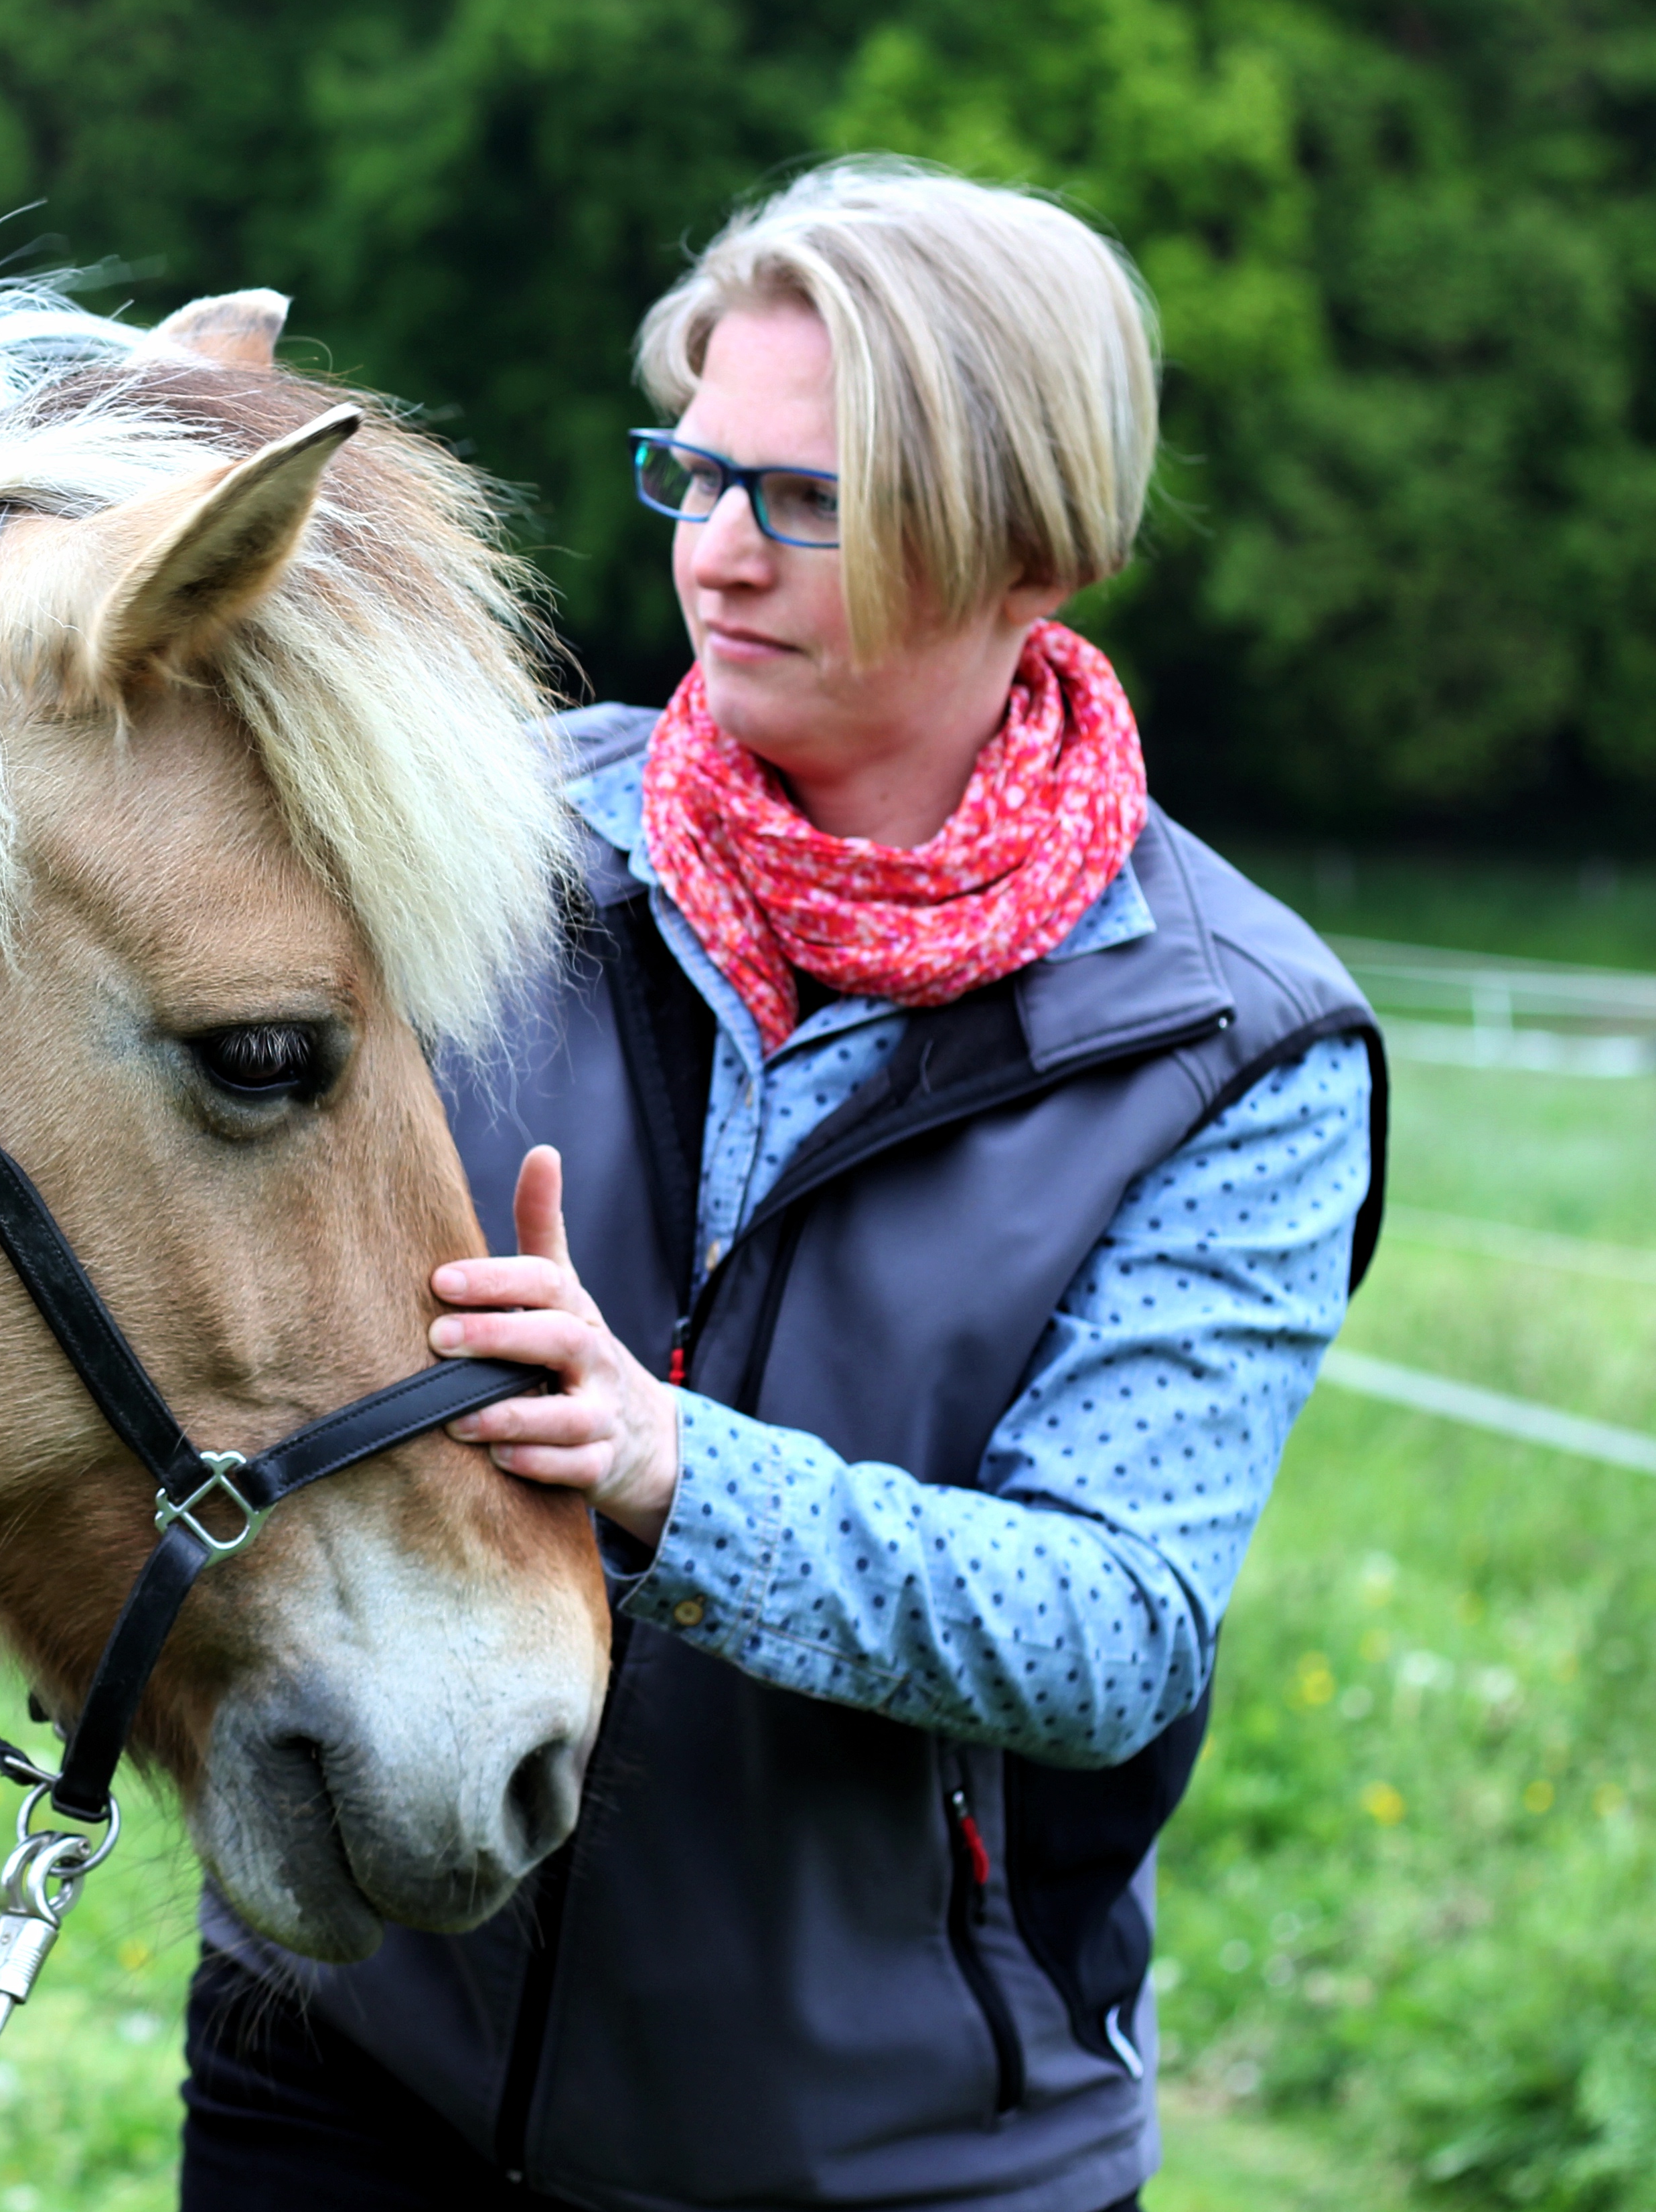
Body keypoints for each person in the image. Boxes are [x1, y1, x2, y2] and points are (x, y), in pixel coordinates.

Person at [179, 157, 1385, 2212]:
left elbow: (1109, 1630)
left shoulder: (1239, 1045)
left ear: (1025, 543)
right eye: (696, 475)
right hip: (362, 2064)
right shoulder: (501, 837)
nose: (717, 559)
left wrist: (670, 1465)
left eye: (804, 501)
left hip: (891, 2159)